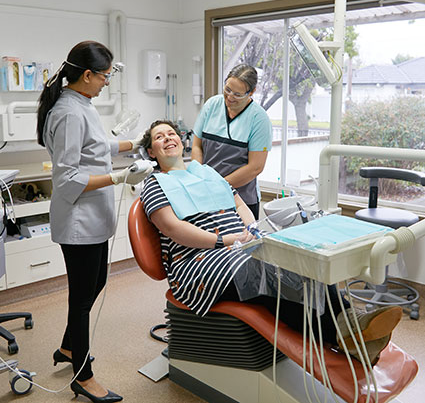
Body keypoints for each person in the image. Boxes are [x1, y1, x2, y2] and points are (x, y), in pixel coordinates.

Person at [141, 119, 403, 365]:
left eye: (171, 133)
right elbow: (172, 228)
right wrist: (223, 240)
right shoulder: (154, 184)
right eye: (159, 137)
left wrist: (250, 230)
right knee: (270, 272)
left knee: (300, 257)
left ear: (181, 140)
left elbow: (238, 202)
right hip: (199, 262)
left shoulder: (207, 173)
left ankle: (351, 324)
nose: (167, 138)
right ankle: (346, 333)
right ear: (152, 152)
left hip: (239, 247)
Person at [37, 40, 152, 403]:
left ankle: (70, 348)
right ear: (87, 75)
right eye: (104, 76)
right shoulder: (70, 112)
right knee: (82, 299)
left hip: (92, 217)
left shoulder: (80, 104)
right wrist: (121, 178)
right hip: (78, 221)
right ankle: (82, 377)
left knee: (96, 282)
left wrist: (136, 142)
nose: (107, 82)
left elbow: (97, 145)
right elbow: (68, 178)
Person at [192, 64, 272, 220]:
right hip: (206, 195)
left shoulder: (259, 119)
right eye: (227, 89)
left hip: (241, 200)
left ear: (252, 92)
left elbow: (255, 167)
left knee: (240, 243)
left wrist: (217, 186)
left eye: (237, 94)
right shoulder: (212, 105)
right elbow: (196, 146)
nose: (229, 97)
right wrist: (199, 177)